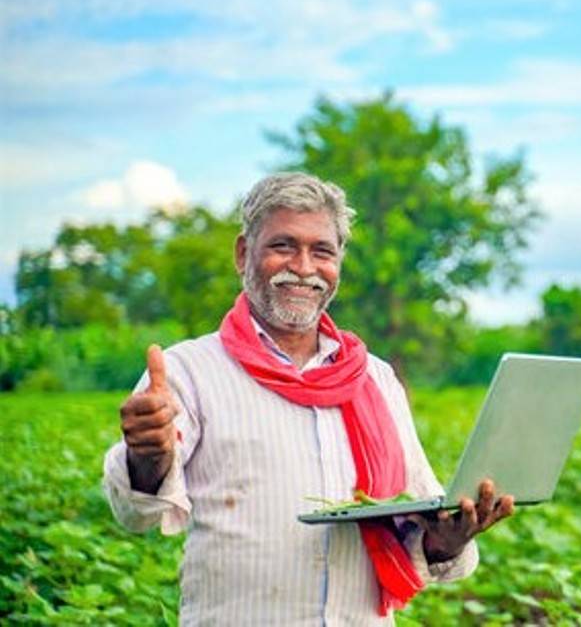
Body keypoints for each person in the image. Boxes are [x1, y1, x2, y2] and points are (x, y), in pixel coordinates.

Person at [102, 172, 514, 625]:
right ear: (243, 254)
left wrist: (449, 539)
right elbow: (136, 514)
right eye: (283, 246)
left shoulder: (374, 377)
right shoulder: (189, 371)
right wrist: (148, 455)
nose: (303, 267)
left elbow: (415, 517)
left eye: (322, 251)